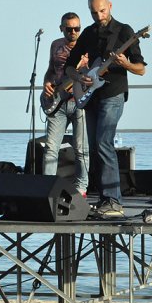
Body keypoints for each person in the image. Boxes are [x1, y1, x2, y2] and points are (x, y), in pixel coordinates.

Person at [65, 0, 146, 218]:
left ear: (110, 5)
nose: (99, 16)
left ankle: (114, 201)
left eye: (102, 11)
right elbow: (70, 66)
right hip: (92, 95)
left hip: (113, 93)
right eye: (93, 12)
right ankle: (103, 200)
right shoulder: (89, 33)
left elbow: (141, 68)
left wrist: (125, 63)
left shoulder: (125, 31)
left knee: (103, 142)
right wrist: (79, 78)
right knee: (94, 147)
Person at [41, 12, 89, 196]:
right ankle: (47, 189)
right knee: (51, 149)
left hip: (79, 102)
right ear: (62, 28)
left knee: (81, 149)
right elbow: (50, 69)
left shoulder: (87, 48)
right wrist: (46, 83)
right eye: (69, 29)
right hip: (56, 103)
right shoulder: (56, 45)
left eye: (77, 28)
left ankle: (81, 189)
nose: (74, 32)